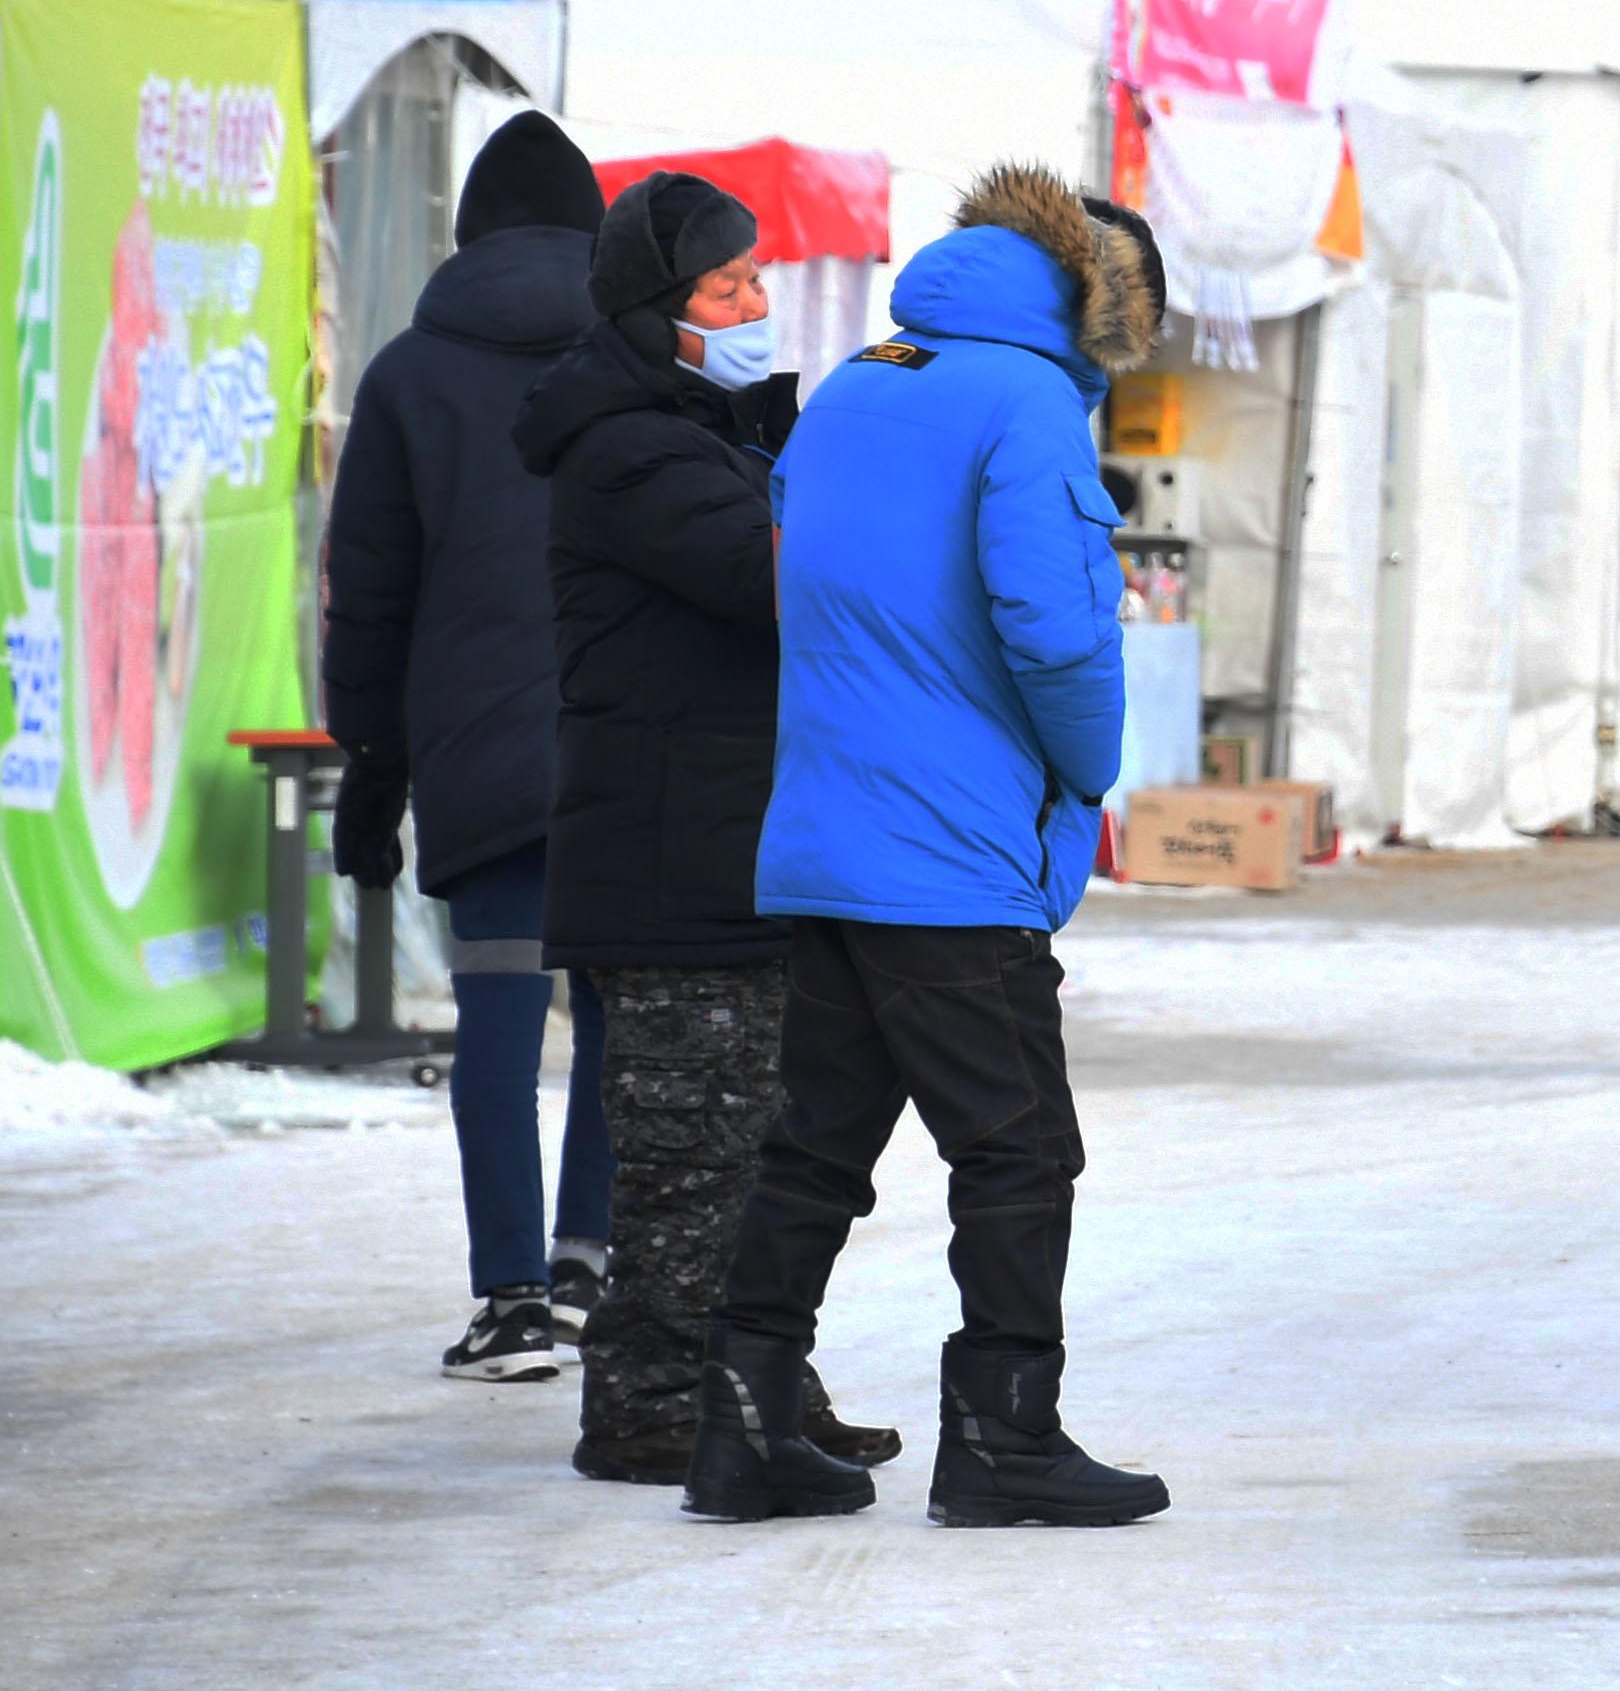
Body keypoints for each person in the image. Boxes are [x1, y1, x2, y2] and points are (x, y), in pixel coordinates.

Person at [692, 166, 1167, 1529]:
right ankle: (1006, 1433)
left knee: (815, 1146)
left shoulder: (851, 388)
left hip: (827, 840)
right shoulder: (1023, 404)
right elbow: (1058, 627)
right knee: (1019, 1150)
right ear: (1092, 304)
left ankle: (745, 1423)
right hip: (950, 857)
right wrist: (1088, 770)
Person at [514, 172, 892, 1486]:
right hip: (675, 850)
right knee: (692, 1152)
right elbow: (764, 579)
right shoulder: (633, 449)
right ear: (653, 311)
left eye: (755, 279)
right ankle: (652, 1402)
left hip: (724, 837)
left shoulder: (695, 430)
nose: (755, 303)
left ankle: (753, 1376)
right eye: (727, 286)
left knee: (751, 1139)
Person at [321, 111, 616, 1384]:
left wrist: (372, 778)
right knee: (614, 1015)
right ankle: (592, 1262)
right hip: (625, 751)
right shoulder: (648, 359)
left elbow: (368, 600)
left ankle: (509, 1303)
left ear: (469, 234)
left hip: (480, 759)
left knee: (497, 1022)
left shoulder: (403, 374)